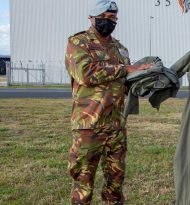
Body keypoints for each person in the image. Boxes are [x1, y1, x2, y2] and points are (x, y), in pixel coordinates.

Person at [64, 1, 152, 204]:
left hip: (116, 127)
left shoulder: (121, 49)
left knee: (116, 184)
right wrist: (124, 69)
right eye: (105, 17)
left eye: (113, 18)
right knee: (83, 184)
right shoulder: (78, 43)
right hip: (89, 126)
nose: (110, 22)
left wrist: (146, 79)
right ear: (92, 18)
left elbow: (126, 83)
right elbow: (85, 73)